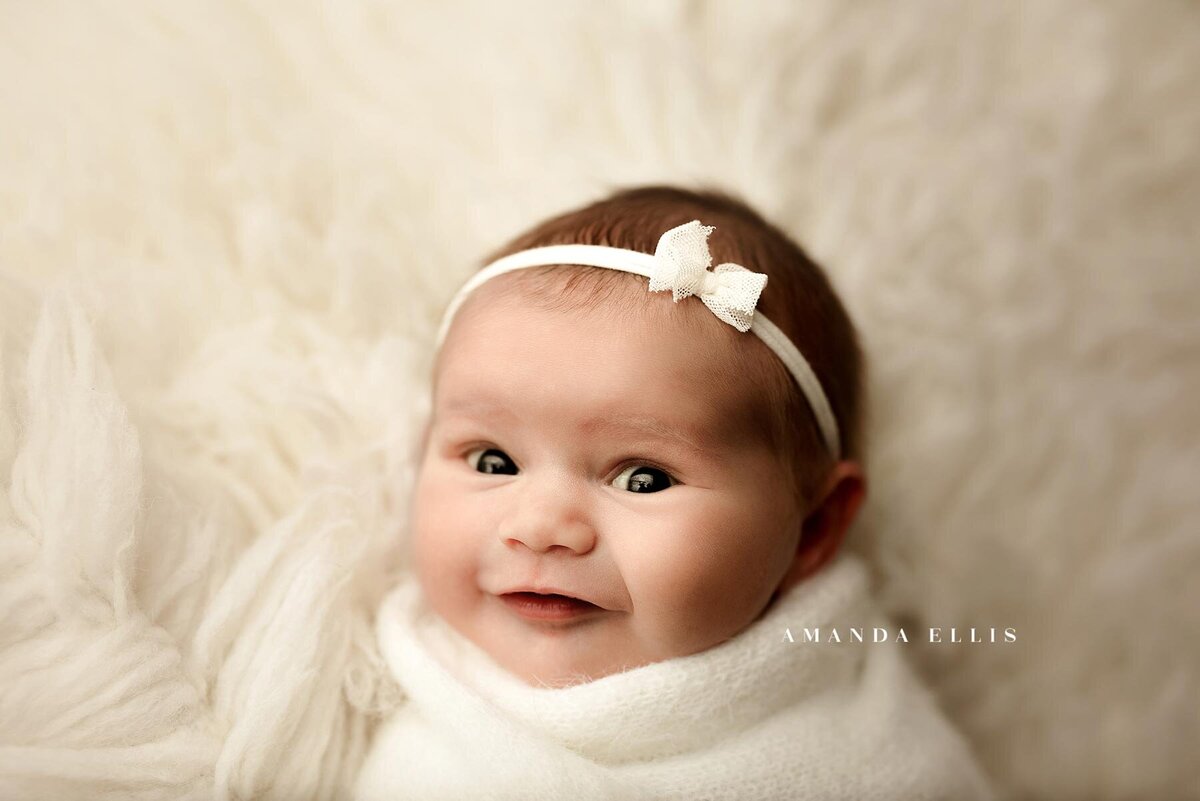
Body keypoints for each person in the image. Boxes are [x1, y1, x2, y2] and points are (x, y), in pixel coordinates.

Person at [355, 186, 993, 800]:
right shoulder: (402, 707)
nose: (540, 526)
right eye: (494, 461)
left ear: (815, 528)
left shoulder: (866, 751)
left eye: (644, 478)